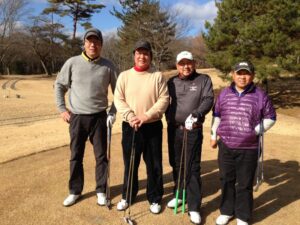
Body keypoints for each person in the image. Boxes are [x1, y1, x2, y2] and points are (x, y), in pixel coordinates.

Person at [54, 28, 118, 207]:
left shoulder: (108, 66)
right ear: (84, 43)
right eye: (89, 41)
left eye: (96, 42)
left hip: (99, 117)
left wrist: (112, 112)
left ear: (101, 45)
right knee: (76, 155)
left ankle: (101, 190)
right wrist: (62, 109)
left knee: (101, 157)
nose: (93, 44)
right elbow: (59, 86)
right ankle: (75, 191)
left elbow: (119, 92)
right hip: (77, 118)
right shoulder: (72, 63)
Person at [210, 61, 276, 225]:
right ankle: (226, 211)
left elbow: (271, 118)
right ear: (233, 74)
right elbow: (216, 115)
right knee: (226, 179)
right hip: (225, 145)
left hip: (249, 148)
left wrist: (253, 132)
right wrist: (213, 136)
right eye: (239, 73)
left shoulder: (260, 95)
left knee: (245, 183)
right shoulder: (224, 94)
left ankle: (242, 216)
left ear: (252, 76)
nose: (242, 76)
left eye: (246, 73)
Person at [113, 40, 169, 214]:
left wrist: (145, 116)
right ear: (134, 56)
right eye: (139, 53)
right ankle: (128, 195)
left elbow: (164, 100)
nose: (142, 56)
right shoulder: (124, 76)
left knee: (154, 164)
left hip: (152, 126)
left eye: (145, 53)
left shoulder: (157, 76)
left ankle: (155, 198)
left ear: (150, 56)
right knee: (131, 163)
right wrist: (131, 116)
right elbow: (118, 99)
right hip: (130, 126)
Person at [165, 51, 214, 224]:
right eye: (182, 63)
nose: (186, 66)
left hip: (192, 129)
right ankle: (179, 194)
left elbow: (208, 99)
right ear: (177, 65)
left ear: (194, 63)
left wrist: (197, 114)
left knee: (192, 166)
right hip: (174, 129)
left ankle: (194, 207)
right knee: (176, 163)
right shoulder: (171, 81)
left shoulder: (204, 80)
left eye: (189, 63)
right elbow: (164, 101)